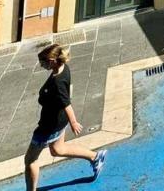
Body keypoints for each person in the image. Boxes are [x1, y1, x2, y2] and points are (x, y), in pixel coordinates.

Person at [24, 44, 106, 191]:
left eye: (43, 62)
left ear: (52, 60)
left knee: (30, 160)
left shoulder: (57, 82)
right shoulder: (63, 68)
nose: (41, 65)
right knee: (58, 150)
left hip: (49, 126)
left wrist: (74, 122)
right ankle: (95, 157)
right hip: (59, 121)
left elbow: (66, 104)